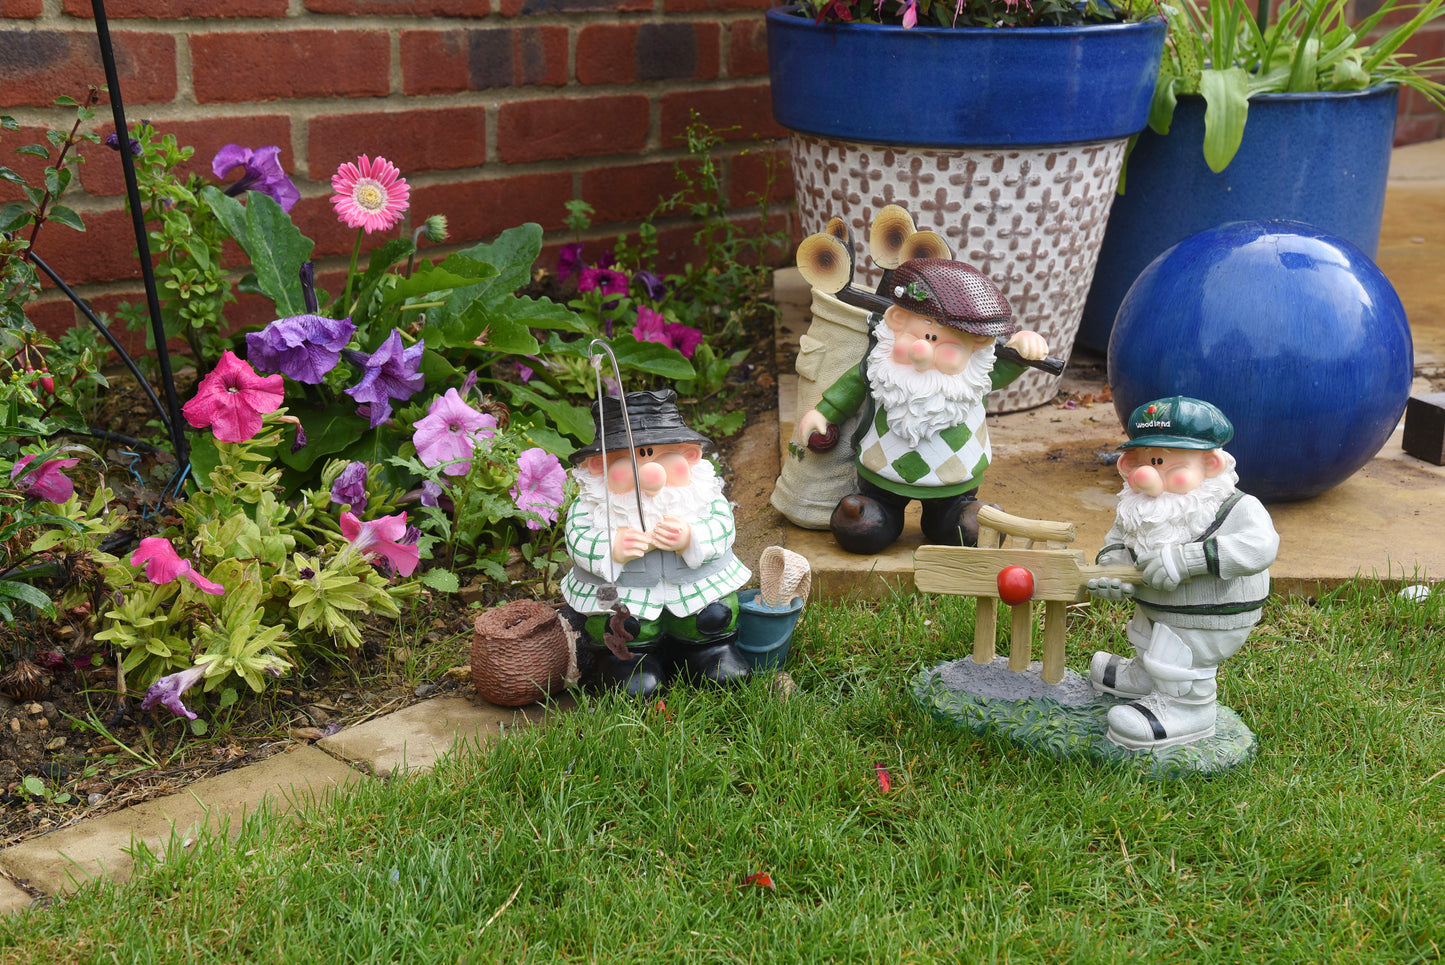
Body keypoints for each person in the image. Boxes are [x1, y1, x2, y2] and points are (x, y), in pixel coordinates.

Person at [794, 258, 1048, 554]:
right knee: (866, 525)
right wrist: (824, 414)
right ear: (896, 321)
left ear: (977, 343)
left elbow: (1006, 366)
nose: (923, 350)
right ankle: (868, 514)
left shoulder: (975, 377)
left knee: (965, 530)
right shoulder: (881, 369)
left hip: (953, 478)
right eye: (918, 336)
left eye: (944, 344)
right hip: (882, 471)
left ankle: (962, 517)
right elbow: (850, 386)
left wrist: (1023, 346)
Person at [1087, 396, 1280, 749]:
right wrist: (1114, 568)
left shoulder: (1236, 507)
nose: (1149, 474)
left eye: (1163, 462)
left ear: (1210, 464)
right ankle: (1147, 676)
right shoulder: (1139, 507)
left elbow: (1261, 546)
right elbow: (1116, 541)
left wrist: (1189, 560)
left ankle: (1190, 706)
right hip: (1155, 608)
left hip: (1208, 617)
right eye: (1145, 461)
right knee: (1148, 636)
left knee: (1182, 650)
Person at [561, 389, 751, 698]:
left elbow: (722, 527)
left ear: (691, 455)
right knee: (622, 626)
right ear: (597, 465)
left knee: (710, 617)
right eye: (629, 459)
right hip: (625, 594)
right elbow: (578, 539)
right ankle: (629, 664)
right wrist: (613, 549)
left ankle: (710, 652)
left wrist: (691, 537)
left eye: (660, 455)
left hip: (695, 589)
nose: (649, 473)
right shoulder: (591, 506)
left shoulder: (703, 495)